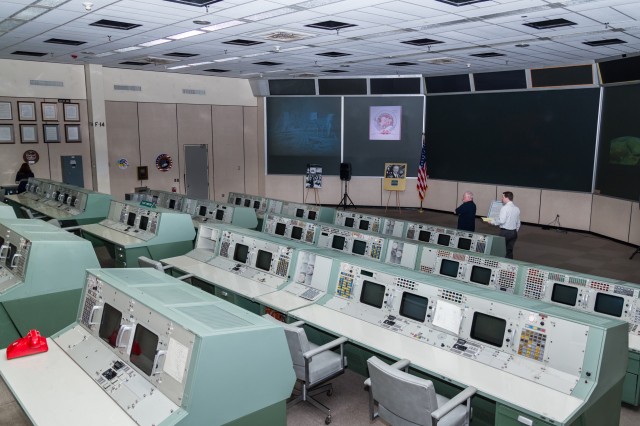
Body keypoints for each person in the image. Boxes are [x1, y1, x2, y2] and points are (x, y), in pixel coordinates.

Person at [495, 191, 521, 259]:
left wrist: (492, 221)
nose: (502, 199)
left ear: (507, 198)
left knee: (501, 251)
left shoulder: (504, 208)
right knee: (509, 250)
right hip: (514, 232)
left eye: (503, 197)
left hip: (505, 232)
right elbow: (518, 223)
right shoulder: (517, 208)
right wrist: (514, 231)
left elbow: (501, 221)